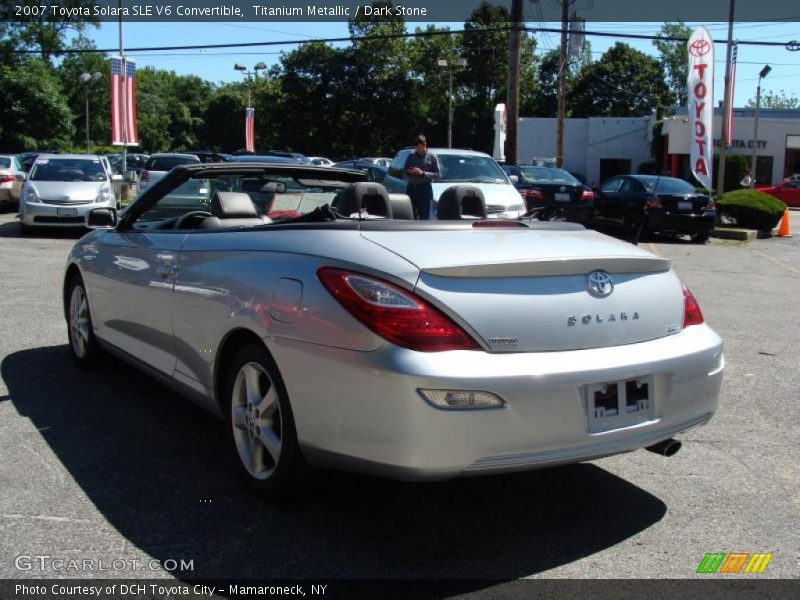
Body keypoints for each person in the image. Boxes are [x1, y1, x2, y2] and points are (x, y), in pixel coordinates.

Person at [404, 135, 439, 220]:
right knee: (409, 215)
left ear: (425, 145)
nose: (418, 150)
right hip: (412, 188)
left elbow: (438, 175)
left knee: (425, 216)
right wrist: (409, 172)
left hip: (425, 189)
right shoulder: (411, 156)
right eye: (417, 148)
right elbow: (405, 171)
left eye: (420, 148)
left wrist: (422, 173)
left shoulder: (432, 157)